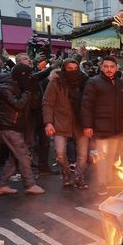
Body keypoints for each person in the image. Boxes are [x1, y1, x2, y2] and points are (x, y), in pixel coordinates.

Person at [81, 56, 123, 194]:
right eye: (106, 66)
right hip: (100, 128)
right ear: (101, 67)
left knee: (111, 155)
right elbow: (86, 106)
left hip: (115, 127)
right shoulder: (93, 82)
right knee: (101, 157)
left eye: (112, 67)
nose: (109, 69)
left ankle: (109, 180)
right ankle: (101, 184)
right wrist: (87, 126)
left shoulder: (120, 83)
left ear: (116, 68)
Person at [0, 58, 46, 194]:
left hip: (14, 125)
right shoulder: (6, 88)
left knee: (14, 158)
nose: (29, 78)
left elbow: (33, 103)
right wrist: (28, 91)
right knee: (22, 155)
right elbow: (18, 104)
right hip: (8, 126)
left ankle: (0, 185)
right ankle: (29, 184)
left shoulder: (19, 85)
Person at [42, 59, 89, 188]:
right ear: (64, 69)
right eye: (70, 68)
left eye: (75, 68)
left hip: (80, 122)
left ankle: (80, 178)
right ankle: (67, 173)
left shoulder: (84, 82)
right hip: (61, 122)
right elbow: (47, 103)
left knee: (83, 154)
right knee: (60, 154)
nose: (73, 71)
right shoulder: (56, 83)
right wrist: (48, 122)